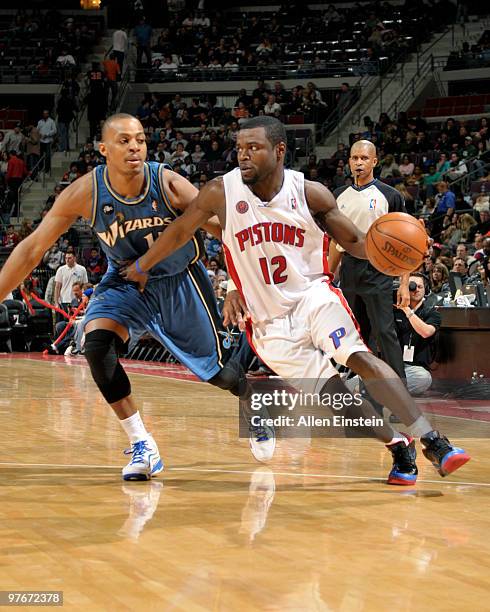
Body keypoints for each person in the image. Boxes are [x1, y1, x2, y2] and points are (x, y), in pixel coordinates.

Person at [121, 116, 470, 485]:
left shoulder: (310, 193)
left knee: (360, 357)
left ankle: (435, 442)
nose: (243, 156)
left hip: (312, 297)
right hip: (268, 323)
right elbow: (178, 232)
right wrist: (143, 265)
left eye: (253, 148)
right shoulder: (219, 193)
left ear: (279, 150)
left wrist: (396, 254)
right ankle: (399, 445)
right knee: (338, 404)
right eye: (239, 149)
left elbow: (354, 242)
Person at [0, 113, 247, 482]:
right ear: (103, 149)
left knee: (222, 375)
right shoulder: (86, 191)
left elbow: (226, 226)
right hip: (126, 280)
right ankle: (143, 445)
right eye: (124, 140)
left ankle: (253, 403)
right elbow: (33, 248)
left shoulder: (167, 183)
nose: (134, 146)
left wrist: (237, 284)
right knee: (96, 344)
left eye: (140, 140)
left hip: (179, 281)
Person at [328, 140, 409, 388]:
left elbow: (406, 242)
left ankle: (400, 393)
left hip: (379, 269)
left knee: (385, 333)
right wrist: (328, 277)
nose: (359, 163)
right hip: (350, 270)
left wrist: (404, 283)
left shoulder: (390, 196)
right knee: (356, 335)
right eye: (354, 158)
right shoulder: (337, 196)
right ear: (349, 162)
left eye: (364, 158)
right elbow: (335, 242)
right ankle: (366, 387)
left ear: (374, 161)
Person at [394, 274, 441, 395]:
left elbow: (426, 332)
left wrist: (406, 310)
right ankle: (388, 390)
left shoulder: (431, 313)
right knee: (357, 379)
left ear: (426, 290)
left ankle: (382, 391)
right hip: (393, 364)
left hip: (414, 369)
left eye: (420, 286)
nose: (416, 289)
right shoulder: (394, 311)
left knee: (423, 378)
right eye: (412, 286)